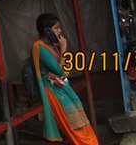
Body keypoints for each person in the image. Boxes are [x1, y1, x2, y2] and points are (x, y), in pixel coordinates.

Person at [31, 13, 99, 145]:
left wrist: (60, 71)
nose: (60, 31)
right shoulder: (39, 47)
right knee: (73, 126)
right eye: (56, 28)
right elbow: (59, 70)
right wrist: (63, 49)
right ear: (47, 30)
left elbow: (64, 68)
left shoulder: (52, 47)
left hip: (61, 87)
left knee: (81, 120)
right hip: (51, 90)